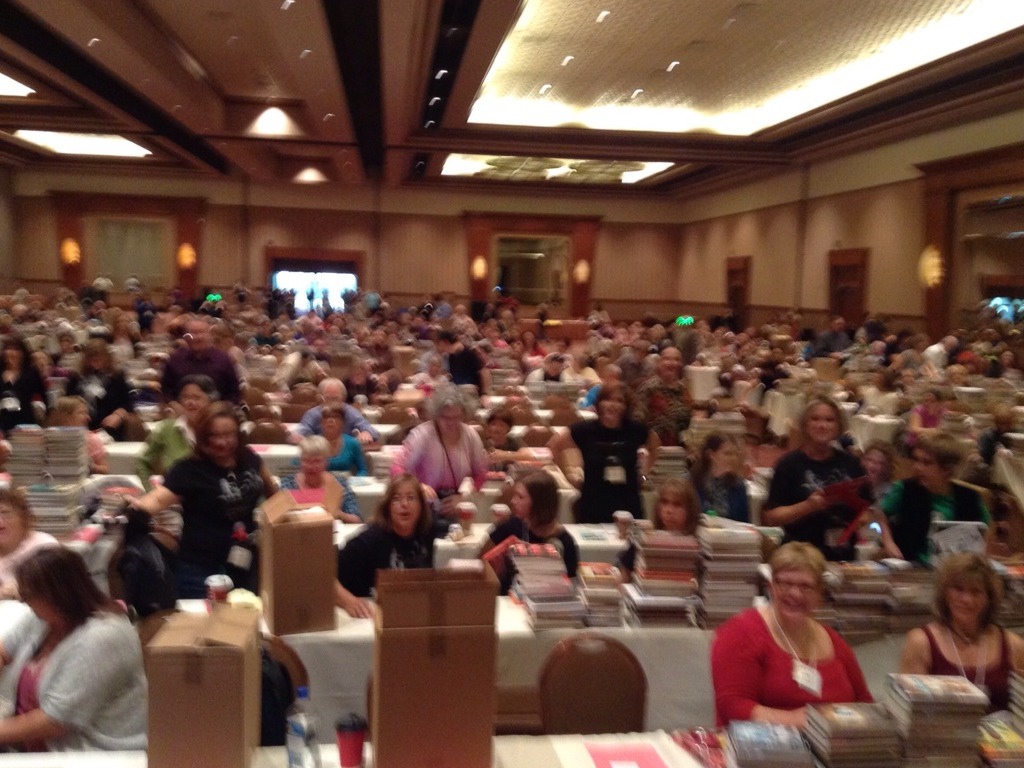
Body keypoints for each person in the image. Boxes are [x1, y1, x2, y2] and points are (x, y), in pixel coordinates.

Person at [711, 542, 872, 727]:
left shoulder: (834, 640)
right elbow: (733, 707)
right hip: (763, 743)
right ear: (771, 586)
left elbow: (865, 704)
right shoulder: (740, 632)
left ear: (819, 593)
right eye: (785, 584)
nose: (795, 594)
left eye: (806, 587)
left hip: (834, 741)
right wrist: (803, 722)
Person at [0, 547, 147, 750]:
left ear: (57, 594)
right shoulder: (44, 617)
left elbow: (55, 721)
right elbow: (3, 651)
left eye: (28, 596)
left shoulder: (102, 637)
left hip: (92, 753)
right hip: (38, 744)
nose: (24, 602)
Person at [130, 402, 278, 597]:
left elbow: (274, 495)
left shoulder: (249, 458)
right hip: (199, 569)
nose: (222, 442)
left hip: (246, 564)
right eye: (214, 435)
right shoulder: (187, 469)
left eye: (229, 435)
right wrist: (137, 508)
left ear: (238, 434)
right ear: (202, 436)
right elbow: (157, 500)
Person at [899, 552, 1024, 712]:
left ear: (989, 598)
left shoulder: (1014, 645)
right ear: (944, 593)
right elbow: (911, 713)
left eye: (976, 592)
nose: (967, 599)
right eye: (959, 589)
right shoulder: (921, 643)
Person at [762, 397, 869, 561]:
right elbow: (771, 517)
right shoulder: (789, 464)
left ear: (839, 426)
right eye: (815, 419)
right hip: (801, 554)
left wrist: (865, 519)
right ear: (805, 424)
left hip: (843, 556)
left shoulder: (851, 463)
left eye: (829, 420)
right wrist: (808, 506)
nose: (822, 425)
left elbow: (868, 507)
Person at [334, 474, 445, 618]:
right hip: (368, 614)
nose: (404, 504)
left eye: (411, 498)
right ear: (388, 507)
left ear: (421, 506)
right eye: (396, 499)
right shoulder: (370, 539)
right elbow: (322, 575)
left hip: (411, 608)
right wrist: (347, 600)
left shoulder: (427, 530)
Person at [548, 382, 659, 524]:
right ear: (599, 403)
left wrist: (644, 475)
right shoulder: (585, 430)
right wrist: (569, 477)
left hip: (628, 503)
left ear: (626, 406)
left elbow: (655, 446)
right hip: (593, 503)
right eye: (607, 399)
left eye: (619, 401)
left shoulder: (635, 430)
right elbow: (553, 446)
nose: (612, 405)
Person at [880, 431, 988, 564]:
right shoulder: (905, 489)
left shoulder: (970, 498)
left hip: (953, 569)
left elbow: (985, 531)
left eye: (926, 463)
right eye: (916, 460)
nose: (917, 467)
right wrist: (888, 541)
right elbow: (880, 514)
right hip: (911, 566)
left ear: (947, 470)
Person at [391, 386, 488, 514]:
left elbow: (480, 473)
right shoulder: (422, 434)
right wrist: (417, 487)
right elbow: (396, 468)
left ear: (464, 415)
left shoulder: (471, 435)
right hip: (424, 505)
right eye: (445, 417)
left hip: (457, 504)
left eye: (456, 417)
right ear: (436, 415)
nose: (451, 422)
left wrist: (465, 497)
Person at [480, 470, 579, 594]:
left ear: (539, 503)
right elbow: (480, 562)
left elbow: (570, 587)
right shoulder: (510, 526)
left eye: (520, 497)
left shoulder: (565, 542)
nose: (513, 501)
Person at [136, 374, 219, 490]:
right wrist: (150, 491)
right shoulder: (167, 428)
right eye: (185, 397)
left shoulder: (218, 431)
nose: (190, 402)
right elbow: (142, 463)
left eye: (197, 398)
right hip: (169, 497)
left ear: (211, 401)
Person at [617, 477, 701, 581]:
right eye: (664, 502)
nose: (669, 510)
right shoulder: (644, 539)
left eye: (677, 504)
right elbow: (623, 575)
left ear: (690, 509)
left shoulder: (701, 545)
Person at [160, 316, 241, 406]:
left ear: (209, 335)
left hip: (216, 411)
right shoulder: (175, 359)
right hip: (180, 411)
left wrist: (220, 409)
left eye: (201, 332)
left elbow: (234, 394)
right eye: (193, 333)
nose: (197, 337)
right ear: (186, 336)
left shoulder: (223, 359)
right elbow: (166, 393)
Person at [64, 339, 134, 441]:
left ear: (107, 358)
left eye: (99, 358)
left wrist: (118, 415)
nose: (95, 361)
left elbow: (128, 404)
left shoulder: (117, 377)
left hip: (111, 430)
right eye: (91, 358)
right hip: (81, 431)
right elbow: (66, 405)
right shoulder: (76, 378)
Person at [280, 436, 362, 522]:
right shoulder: (288, 484)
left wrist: (339, 514)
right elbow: (279, 518)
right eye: (306, 460)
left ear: (326, 462)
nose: (311, 466)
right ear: (300, 461)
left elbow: (357, 520)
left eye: (317, 461)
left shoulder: (339, 483)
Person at [0, 489, 59, 599]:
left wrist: (15, 591)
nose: (0, 522)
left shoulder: (44, 547)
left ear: (23, 518)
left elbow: (57, 591)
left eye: (5, 514)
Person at [633, 346, 693, 447]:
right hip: (652, 448)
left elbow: (688, 422)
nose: (672, 363)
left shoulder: (684, 391)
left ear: (681, 364)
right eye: (667, 359)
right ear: (659, 363)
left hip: (678, 449)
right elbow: (637, 421)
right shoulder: (648, 388)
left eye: (676, 359)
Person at [292, 378, 379, 445]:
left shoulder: (350, 412)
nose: (332, 403)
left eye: (336, 399)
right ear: (320, 399)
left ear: (343, 399)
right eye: (328, 399)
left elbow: (371, 430)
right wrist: (298, 437)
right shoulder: (313, 414)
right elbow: (301, 431)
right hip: (320, 453)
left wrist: (366, 433)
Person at [691, 432, 750, 522]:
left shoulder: (738, 486)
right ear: (711, 455)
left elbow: (745, 522)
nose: (733, 458)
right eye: (727, 454)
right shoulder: (693, 483)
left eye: (734, 454)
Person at [0, 335, 47, 436]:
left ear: (22, 353)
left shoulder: (32, 373)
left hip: (26, 423)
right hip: (2, 422)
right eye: (8, 349)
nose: (11, 352)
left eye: (15, 349)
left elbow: (44, 397)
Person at [48, 396, 108, 474]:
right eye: (82, 413)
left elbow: (105, 470)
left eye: (87, 413)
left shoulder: (92, 439)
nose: (88, 418)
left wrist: (91, 467)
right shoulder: (46, 439)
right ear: (65, 417)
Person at [319, 406, 368, 476]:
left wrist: (356, 480)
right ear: (321, 422)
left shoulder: (352, 443)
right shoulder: (313, 444)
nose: (330, 420)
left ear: (343, 422)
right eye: (326, 417)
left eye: (335, 417)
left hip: (347, 481)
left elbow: (362, 470)